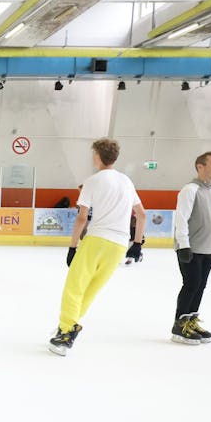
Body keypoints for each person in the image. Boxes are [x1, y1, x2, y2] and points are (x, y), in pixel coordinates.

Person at [47, 139, 145, 356]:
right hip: (119, 245)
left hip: (97, 239)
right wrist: (137, 244)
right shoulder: (126, 181)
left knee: (75, 285)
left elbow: (82, 217)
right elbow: (142, 214)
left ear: (97, 156)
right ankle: (69, 326)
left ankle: (65, 333)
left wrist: (73, 246)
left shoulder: (92, 181)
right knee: (92, 289)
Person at [171, 151, 211, 345]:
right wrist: (183, 245)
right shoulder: (190, 190)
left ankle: (191, 321)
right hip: (190, 248)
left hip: (208, 249)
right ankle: (180, 324)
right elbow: (181, 219)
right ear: (200, 166)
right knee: (191, 285)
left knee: (200, 286)